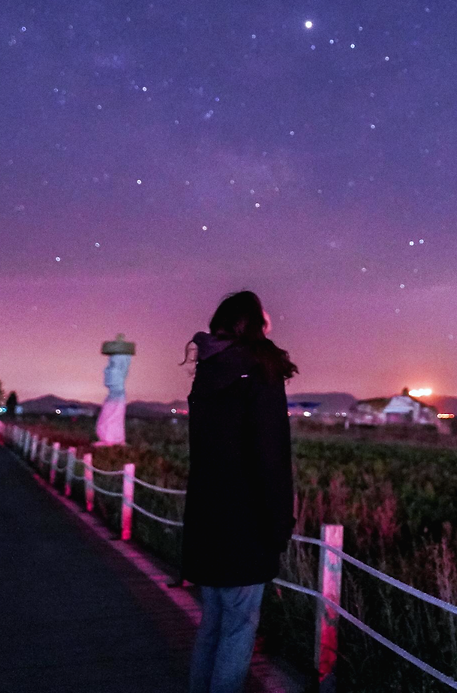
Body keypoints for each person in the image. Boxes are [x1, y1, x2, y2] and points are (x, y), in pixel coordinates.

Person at [181, 290, 297, 693]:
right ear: (250, 324)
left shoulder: (210, 371)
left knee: (214, 622)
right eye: (265, 321)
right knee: (240, 626)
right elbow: (271, 456)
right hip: (245, 525)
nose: (270, 327)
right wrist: (280, 522)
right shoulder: (258, 369)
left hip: (206, 521)